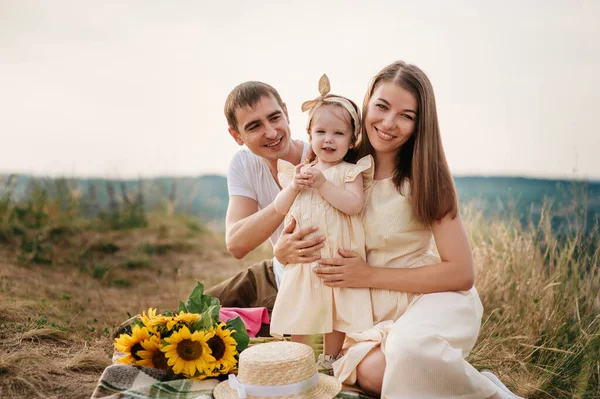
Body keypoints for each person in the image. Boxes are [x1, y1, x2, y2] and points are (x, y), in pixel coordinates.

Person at [276, 61, 523, 399]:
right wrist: (282, 251)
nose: (389, 123)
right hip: (363, 310)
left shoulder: (425, 178)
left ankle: (493, 395)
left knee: (407, 353)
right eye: (382, 106)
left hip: (427, 296)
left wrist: (366, 275)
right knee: (379, 373)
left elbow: (462, 273)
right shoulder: (339, 169)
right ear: (366, 105)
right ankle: (464, 380)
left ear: (420, 124)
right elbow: (296, 224)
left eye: (406, 115)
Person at [269, 74, 373, 369]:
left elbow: (354, 206)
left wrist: (323, 184)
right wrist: (294, 187)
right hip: (305, 259)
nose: (329, 139)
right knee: (300, 306)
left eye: (339, 134)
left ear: (352, 140)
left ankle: (331, 356)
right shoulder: (299, 172)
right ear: (310, 134)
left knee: (336, 308)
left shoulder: (349, 172)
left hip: (337, 256)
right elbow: (279, 208)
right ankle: (298, 356)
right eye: (322, 131)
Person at [205, 80, 324, 317]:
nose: (270, 132)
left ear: (287, 113)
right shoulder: (244, 163)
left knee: (222, 331)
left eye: (274, 117)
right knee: (191, 312)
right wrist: (290, 193)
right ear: (237, 136)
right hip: (273, 271)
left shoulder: (322, 155)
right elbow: (237, 243)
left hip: (308, 284)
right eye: (254, 126)